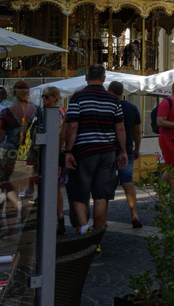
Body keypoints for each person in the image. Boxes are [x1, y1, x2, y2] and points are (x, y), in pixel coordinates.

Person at [63, 65, 128, 232]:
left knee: (79, 191)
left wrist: (68, 151)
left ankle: (84, 228)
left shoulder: (78, 97)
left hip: (83, 152)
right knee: (101, 194)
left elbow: (72, 127)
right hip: (107, 152)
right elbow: (120, 128)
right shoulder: (114, 100)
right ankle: (97, 232)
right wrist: (122, 151)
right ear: (104, 78)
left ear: (86, 77)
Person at [0, 80, 36, 233]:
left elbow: (0, 136)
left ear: (13, 94)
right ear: (28, 93)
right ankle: (24, 230)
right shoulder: (36, 110)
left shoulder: (6, 112)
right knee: (24, 194)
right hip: (28, 155)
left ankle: (6, 226)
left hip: (8, 153)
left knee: (5, 190)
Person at [108, 81, 143, 228]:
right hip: (127, 150)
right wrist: (136, 149)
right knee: (127, 182)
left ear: (110, 92)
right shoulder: (132, 108)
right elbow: (137, 132)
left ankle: (102, 218)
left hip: (109, 150)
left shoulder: (108, 107)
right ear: (123, 92)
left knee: (105, 183)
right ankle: (134, 213)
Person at [38, 87, 68, 234]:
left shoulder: (55, 113)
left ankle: (53, 218)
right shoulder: (63, 111)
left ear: (55, 97)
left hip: (53, 154)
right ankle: (59, 217)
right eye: (43, 97)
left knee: (51, 187)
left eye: (47, 97)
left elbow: (61, 135)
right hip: (56, 154)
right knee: (55, 187)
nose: (44, 99)